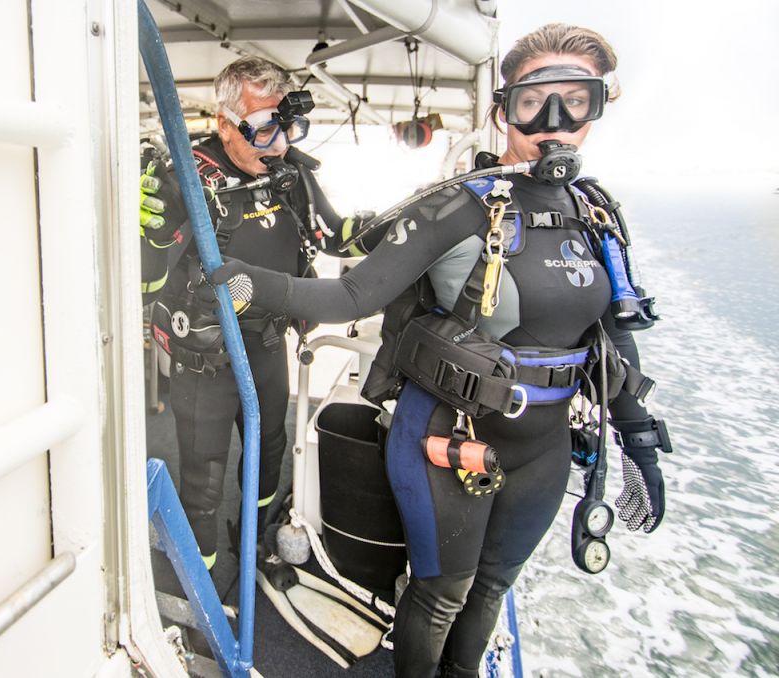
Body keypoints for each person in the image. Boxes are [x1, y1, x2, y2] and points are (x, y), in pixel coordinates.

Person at [208, 25, 670, 677]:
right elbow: (355, 295)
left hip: (545, 449)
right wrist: (253, 283)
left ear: (598, 108)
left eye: (578, 100)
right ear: (503, 108)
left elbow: (614, 337)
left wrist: (640, 442)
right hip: (447, 439)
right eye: (537, 102)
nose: (556, 122)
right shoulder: (459, 207)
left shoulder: (595, 214)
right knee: (440, 597)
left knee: (489, 589)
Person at [140, 56, 370, 571]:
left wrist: (399, 227)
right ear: (225, 124)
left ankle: (256, 542)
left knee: (269, 454)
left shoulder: (290, 172)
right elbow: (142, 280)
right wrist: (148, 233)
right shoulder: (184, 182)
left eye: (288, 127)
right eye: (265, 129)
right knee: (202, 477)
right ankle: (202, 585)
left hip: (267, 346)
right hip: (206, 361)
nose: (282, 144)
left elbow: (335, 233)